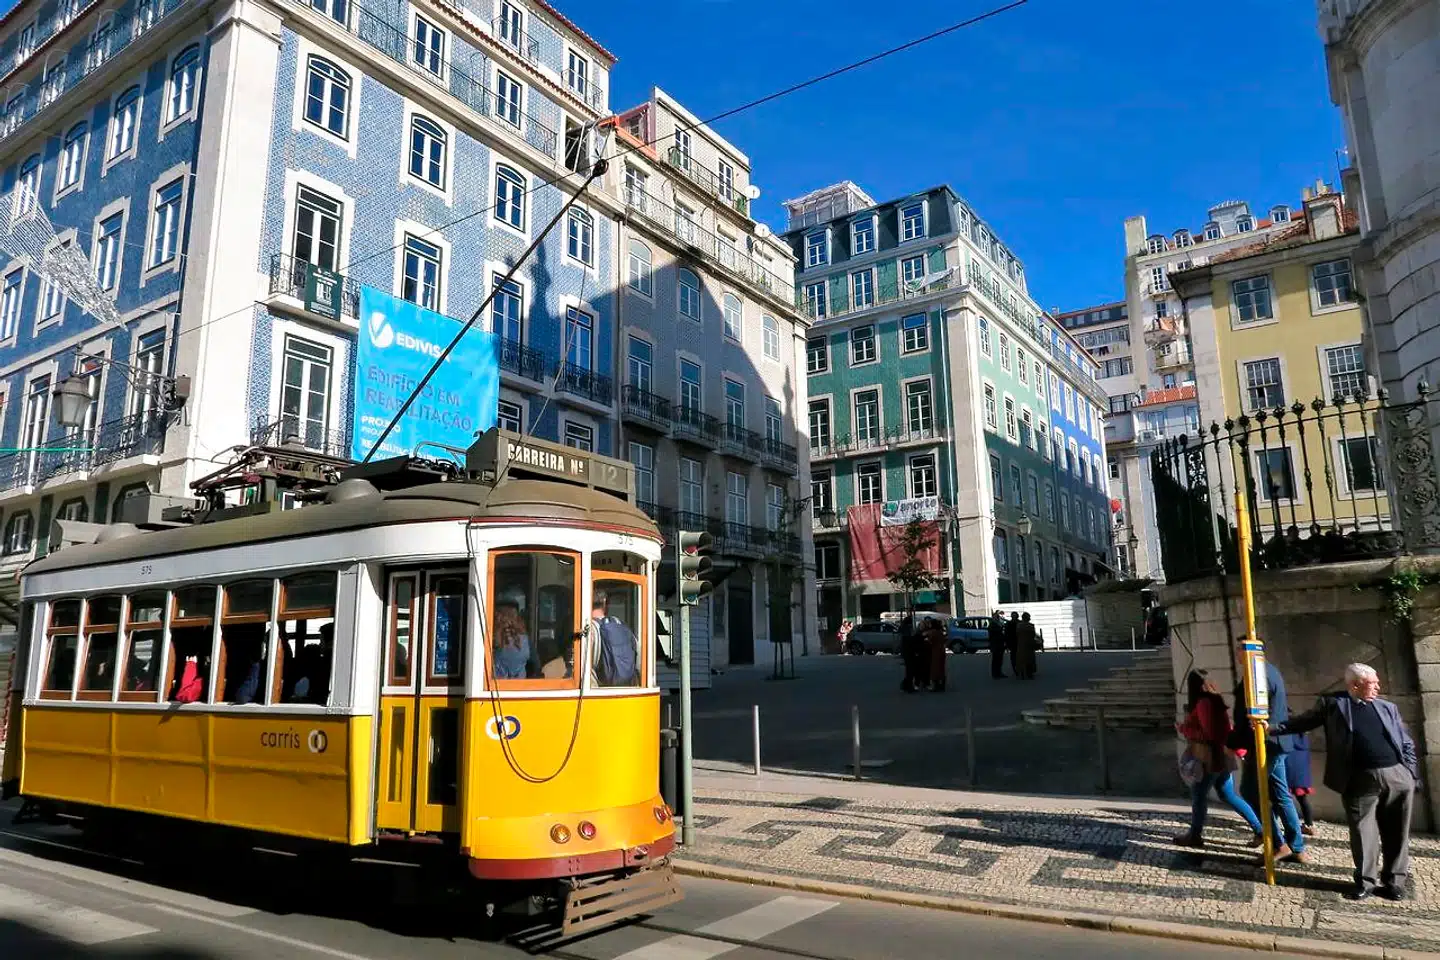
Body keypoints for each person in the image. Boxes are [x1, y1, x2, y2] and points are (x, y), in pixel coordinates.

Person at [1272, 663, 1418, 901]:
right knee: (1362, 833)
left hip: (1397, 777)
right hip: (1358, 779)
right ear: (1355, 685)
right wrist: (1272, 728)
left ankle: (1394, 882)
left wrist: (1410, 772)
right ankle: (1366, 882)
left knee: (1397, 831)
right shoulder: (1333, 704)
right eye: (1372, 683)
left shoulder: (1387, 707)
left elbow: (1405, 741)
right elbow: (1304, 722)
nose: (1378, 687)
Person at [1228, 644, 1309, 863]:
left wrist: (1233, 742)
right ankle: (1297, 847)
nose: (1237, 655)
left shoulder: (1257, 675)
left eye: (1239, 651)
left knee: (1250, 791)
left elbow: (1250, 715)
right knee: (1281, 795)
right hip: (1277, 742)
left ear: (1247, 651)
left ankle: (1279, 844)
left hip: (1266, 744)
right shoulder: (1270, 670)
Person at [1174, 670, 1263, 848]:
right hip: (1222, 756)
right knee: (1227, 794)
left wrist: (1184, 729)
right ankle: (1261, 831)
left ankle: (1195, 835)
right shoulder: (1215, 699)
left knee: (1199, 794)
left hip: (1211, 758)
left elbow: (1209, 734)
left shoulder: (1203, 703)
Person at [1284, 732, 1318, 838]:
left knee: (1281, 800)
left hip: (1288, 770)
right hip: (1301, 774)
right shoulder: (1303, 736)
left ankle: (1288, 827)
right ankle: (1309, 825)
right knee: (1303, 800)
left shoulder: (1287, 735)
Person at [924, 617, 947, 692]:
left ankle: (935, 685)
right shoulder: (940, 631)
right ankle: (942, 685)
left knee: (935, 669)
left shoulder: (933, 632)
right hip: (942, 651)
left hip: (935, 652)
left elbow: (930, 641)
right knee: (941, 668)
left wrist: (926, 640)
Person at [1015, 613, 1038, 680]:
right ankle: (1029, 673)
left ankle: (1021, 672)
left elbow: (1017, 634)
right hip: (1029, 643)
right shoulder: (1031, 625)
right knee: (1030, 658)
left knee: (1021, 658)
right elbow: (1033, 635)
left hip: (1021, 644)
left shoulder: (1019, 625)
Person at [987, 611, 1007, 679]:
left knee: (1000, 659)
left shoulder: (997, 624)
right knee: (996, 659)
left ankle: (999, 672)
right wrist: (1002, 626)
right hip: (995, 644)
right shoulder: (992, 625)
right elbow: (997, 631)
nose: (998, 618)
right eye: (997, 617)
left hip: (1000, 644)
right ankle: (995, 674)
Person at [1005, 612, 1021, 677]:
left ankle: (1017, 669)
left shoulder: (1009, 623)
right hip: (1014, 642)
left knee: (1016, 657)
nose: (1014, 617)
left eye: (1015, 616)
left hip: (1017, 642)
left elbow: (1006, 634)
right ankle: (1016, 669)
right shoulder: (1010, 623)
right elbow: (1006, 634)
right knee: (1014, 657)